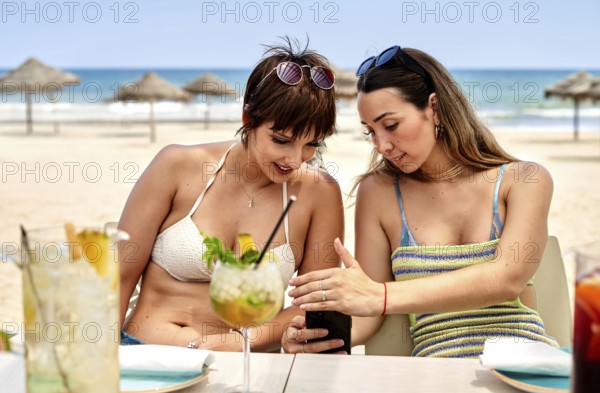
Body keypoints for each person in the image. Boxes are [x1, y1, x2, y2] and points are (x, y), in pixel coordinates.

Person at [281, 45, 559, 358]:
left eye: (390, 125)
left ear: (435, 108)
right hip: (434, 375)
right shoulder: (379, 193)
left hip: (523, 371)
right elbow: (367, 312)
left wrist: (381, 295)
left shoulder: (524, 180)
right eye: (370, 132)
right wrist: (317, 338)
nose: (382, 145)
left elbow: (505, 279)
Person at [118, 38, 344, 352]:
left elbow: (317, 304)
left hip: (246, 365)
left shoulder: (319, 193)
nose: (294, 159)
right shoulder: (177, 166)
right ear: (247, 119)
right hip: (145, 352)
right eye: (281, 140)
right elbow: (118, 277)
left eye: (311, 144)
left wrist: (244, 341)